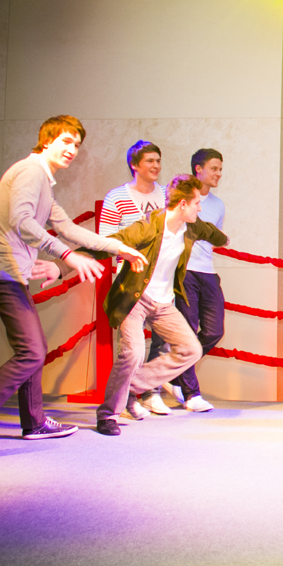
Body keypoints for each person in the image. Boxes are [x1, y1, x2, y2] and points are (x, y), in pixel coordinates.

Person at [0, 116, 148, 464]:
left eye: (77, 145)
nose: (72, 150)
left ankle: (34, 422)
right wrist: (67, 256)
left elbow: (68, 227)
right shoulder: (30, 172)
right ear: (47, 140)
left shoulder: (43, 180)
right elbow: (21, 221)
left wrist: (119, 248)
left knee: (33, 349)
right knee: (31, 352)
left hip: (11, 276)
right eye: (66, 141)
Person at [92, 175, 229, 436]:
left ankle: (129, 388)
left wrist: (224, 239)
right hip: (135, 299)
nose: (200, 208)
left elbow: (210, 232)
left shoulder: (191, 226)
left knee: (191, 349)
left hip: (164, 304)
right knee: (133, 353)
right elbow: (110, 243)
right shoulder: (147, 226)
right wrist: (64, 262)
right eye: (197, 203)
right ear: (182, 205)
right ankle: (107, 414)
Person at [99, 140, 171, 418]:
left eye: (158, 160)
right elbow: (105, 240)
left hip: (161, 281)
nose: (156, 166)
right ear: (134, 165)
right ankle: (126, 401)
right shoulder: (116, 196)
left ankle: (152, 394)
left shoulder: (166, 194)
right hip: (130, 280)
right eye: (150, 161)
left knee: (163, 342)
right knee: (132, 348)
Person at [160, 148, 227, 413]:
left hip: (208, 272)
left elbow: (213, 239)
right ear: (198, 169)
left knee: (214, 331)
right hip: (185, 271)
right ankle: (191, 394)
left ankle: (173, 373)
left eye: (220, 169)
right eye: (214, 168)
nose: (218, 173)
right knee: (188, 329)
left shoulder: (218, 205)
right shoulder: (181, 199)